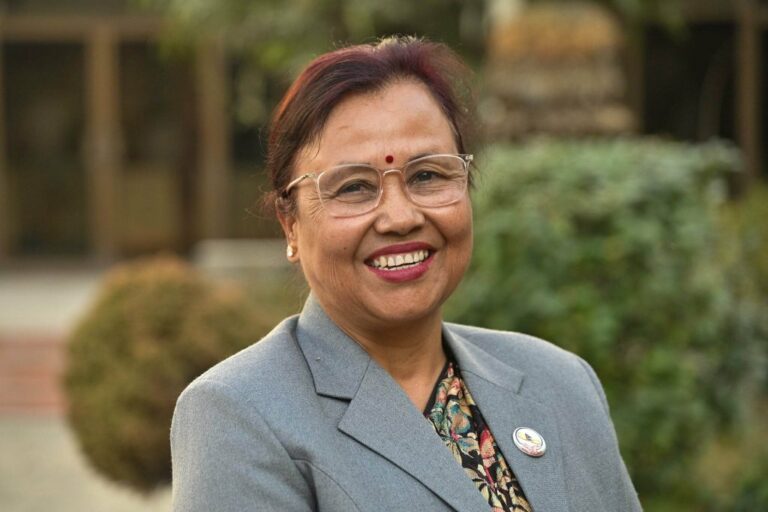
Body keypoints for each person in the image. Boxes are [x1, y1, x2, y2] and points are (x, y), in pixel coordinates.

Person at [171, 36, 642, 512]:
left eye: (427, 176)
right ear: (289, 224)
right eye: (353, 187)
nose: (400, 217)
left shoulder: (559, 382)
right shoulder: (240, 412)